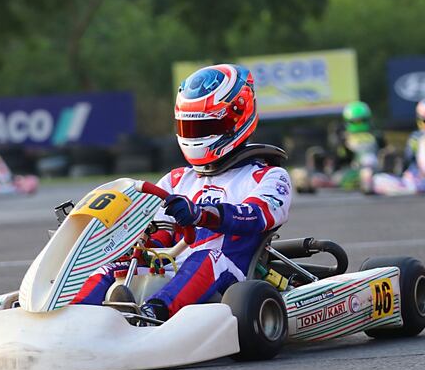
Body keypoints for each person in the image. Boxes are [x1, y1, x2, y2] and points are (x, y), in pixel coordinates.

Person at [71, 64, 292, 321]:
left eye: (204, 128)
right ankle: (74, 313)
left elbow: (257, 215)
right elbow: (163, 233)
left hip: (230, 275)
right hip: (172, 269)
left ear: (235, 120)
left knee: (205, 256)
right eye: (189, 129)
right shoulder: (177, 180)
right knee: (114, 265)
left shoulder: (267, 176)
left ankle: (154, 313)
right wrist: (139, 245)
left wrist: (202, 214)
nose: (195, 138)